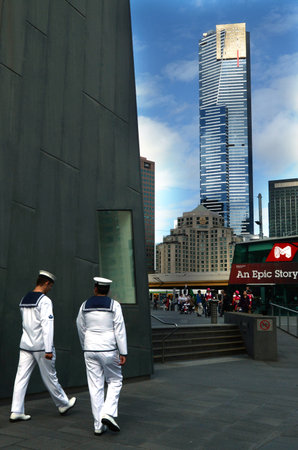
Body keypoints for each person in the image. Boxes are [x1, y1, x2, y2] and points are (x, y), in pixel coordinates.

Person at [10, 270, 76, 422]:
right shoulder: (44, 301)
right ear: (46, 283)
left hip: (26, 345)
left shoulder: (24, 298)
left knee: (21, 378)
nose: (50, 289)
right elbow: (47, 325)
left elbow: (26, 323)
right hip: (41, 346)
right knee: (50, 377)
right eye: (50, 286)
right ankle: (63, 404)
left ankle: (16, 410)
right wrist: (48, 349)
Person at [76, 277, 127, 436]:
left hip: (90, 348)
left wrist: (85, 344)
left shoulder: (84, 305)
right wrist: (123, 351)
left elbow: (80, 326)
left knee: (95, 386)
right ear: (108, 291)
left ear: (95, 289)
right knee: (115, 380)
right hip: (109, 348)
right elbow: (119, 329)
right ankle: (107, 413)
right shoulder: (114, 305)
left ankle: (98, 425)